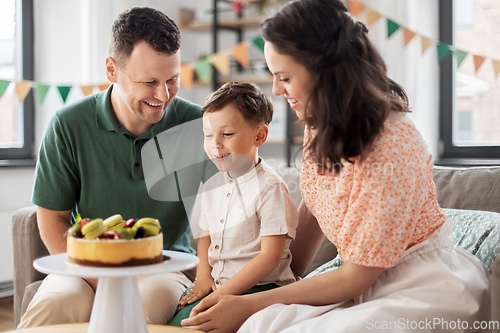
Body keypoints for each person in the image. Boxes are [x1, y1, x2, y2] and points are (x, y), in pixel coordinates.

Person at [180, 0, 490, 332]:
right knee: (262, 323)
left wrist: (248, 303)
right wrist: (282, 281)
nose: (275, 89)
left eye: (284, 76)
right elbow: (315, 208)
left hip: (415, 283)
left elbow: (357, 275)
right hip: (353, 278)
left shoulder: (393, 147)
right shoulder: (323, 119)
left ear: (324, 71)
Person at [18, 7, 216, 328]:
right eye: (149, 81)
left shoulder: (200, 125)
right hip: (85, 266)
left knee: (137, 312)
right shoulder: (68, 125)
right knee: (53, 308)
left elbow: (218, 213)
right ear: (112, 70)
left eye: (173, 79)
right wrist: (99, 279)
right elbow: (52, 218)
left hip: (165, 267)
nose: (163, 95)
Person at [169, 82, 298, 326]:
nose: (215, 143)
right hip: (218, 285)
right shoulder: (211, 185)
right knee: (175, 323)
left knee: (194, 325)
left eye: (226, 134)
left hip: (260, 289)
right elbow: (206, 237)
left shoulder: (270, 187)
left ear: (259, 136)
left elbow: (270, 256)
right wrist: (203, 277)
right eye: (208, 135)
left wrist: (221, 295)